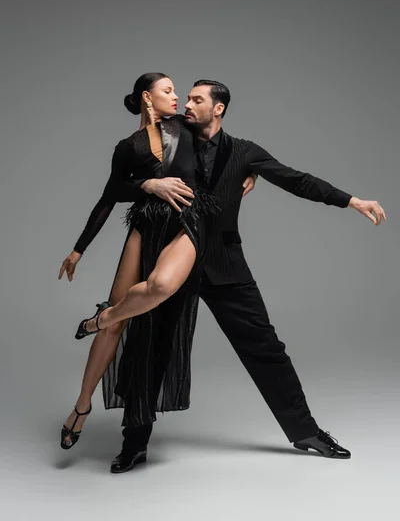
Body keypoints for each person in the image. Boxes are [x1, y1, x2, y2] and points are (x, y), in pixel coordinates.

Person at [109, 80, 386, 473]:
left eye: (197, 99)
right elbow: (128, 171)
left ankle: (306, 432)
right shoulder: (171, 135)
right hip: (171, 261)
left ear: (218, 109)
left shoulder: (244, 152)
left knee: (267, 349)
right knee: (150, 349)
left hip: (223, 263)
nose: (187, 103)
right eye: (185, 97)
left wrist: (351, 200)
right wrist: (147, 183)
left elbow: (296, 179)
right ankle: (133, 445)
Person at [59, 72, 231, 449]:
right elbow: (109, 196)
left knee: (127, 308)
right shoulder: (128, 146)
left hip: (184, 223)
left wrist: (251, 173)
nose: (177, 97)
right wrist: (79, 249)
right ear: (146, 98)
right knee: (115, 325)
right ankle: (82, 406)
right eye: (168, 91)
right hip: (146, 225)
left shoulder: (184, 126)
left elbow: (224, 144)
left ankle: (96, 319)